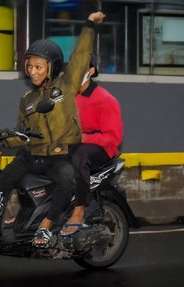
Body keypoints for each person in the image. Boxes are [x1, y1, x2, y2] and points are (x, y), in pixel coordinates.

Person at [0, 11, 106, 248]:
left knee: (66, 179)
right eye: (29, 66)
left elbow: (81, 55)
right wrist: (1, 138)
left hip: (58, 155)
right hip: (31, 155)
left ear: (51, 67)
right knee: (0, 184)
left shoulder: (66, 84)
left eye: (38, 66)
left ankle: (45, 226)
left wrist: (89, 26)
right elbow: (21, 133)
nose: (32, 71)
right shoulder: (27, 99)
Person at [60, 54, 123, 236]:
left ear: (91, 71)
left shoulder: (105, 99)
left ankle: (79, 211)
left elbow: (113, 138)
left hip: (102, 147)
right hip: (77, 142)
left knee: (80, 157)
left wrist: (83, 138)